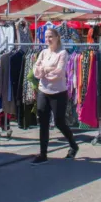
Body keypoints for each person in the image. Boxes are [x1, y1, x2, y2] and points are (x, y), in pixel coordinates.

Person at [30, 28, 79, 165]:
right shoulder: (43, 53)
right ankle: (43, 154)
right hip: (43, 91)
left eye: (50, 36)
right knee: (43, 123)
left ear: (57, 37)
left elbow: (59, 72)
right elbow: (35, 72)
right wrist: (45, 71)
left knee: (59, 122)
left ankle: (73, 144)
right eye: (46, 37)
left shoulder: (62, 53)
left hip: (58, 93)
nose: (48, 39)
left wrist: (44, 71)